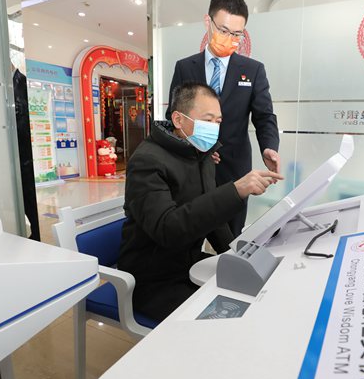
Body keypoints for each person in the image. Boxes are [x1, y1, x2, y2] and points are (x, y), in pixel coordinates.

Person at [119, 82, 283, 322]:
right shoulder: (147, 161)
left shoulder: (201, 155)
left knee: (255, 294)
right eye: (208, 120)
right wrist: (235, 191)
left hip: (189, 263)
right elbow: (168, 229)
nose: (214, 128)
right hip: (153, 279)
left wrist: (235, 254)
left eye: (218, 122)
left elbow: (212, 220)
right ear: (178, 119)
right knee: (228, 318)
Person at [166, 0, 280, 237]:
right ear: (208, 22)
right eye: (224, 30)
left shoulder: (253, 70)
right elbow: (173, 117)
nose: (230, 39)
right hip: (192, 168)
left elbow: (264, 116)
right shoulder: (185, 67)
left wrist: (269, 147)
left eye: (237, 34)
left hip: (234, 170)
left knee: (230, 236)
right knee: (190, 231)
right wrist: (194, 146)